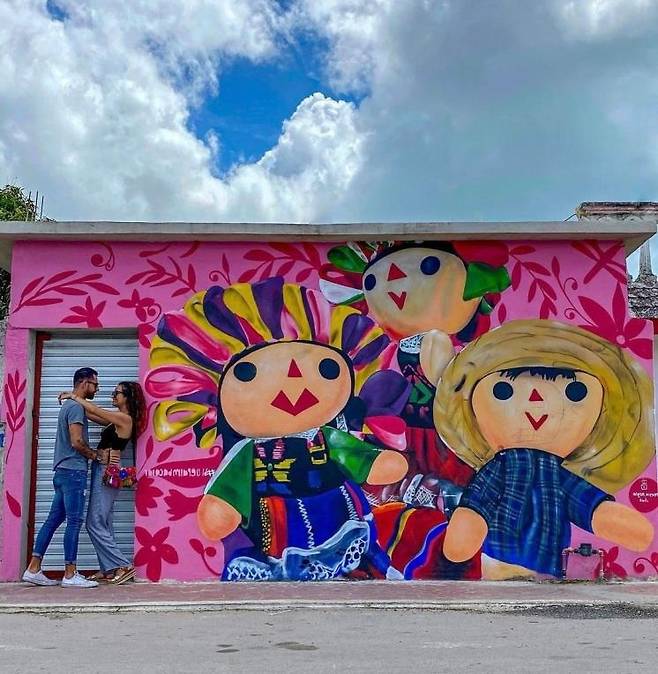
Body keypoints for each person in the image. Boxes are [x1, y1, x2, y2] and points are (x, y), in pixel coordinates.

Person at [434, 319, 655, 579]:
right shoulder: (499, 468)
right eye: (504, 390)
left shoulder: (558, 477)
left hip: (547, 571)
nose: (536, 401)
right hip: (499, 565)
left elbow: (587, 505)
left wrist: (605, 514)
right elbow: (479, 502)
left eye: (574, 391)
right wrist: (470, 520)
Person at [58, 381, 146, 585]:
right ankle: (109, 568)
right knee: (104, 522)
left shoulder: (124, 418)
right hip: (104, 468)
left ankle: (122, 565)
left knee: (94, 522)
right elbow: (91, 413)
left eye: (117, 393)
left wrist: (74, 396)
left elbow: (96, 410)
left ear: (127, 397)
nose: (113, 395)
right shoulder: (114, 420)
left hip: (108, 470)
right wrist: (75, 403)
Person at [22, 367, 101, 588]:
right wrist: (95, 455)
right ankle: (70, 573)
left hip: (62, 472)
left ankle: (33, 569)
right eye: (95, 384)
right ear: (84, 383)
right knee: (74, 522)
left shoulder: (70, 405)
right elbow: (77, 441)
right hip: (73, 472)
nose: (97, 389)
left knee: (53, 520)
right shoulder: (75, 407)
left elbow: (100, 418)